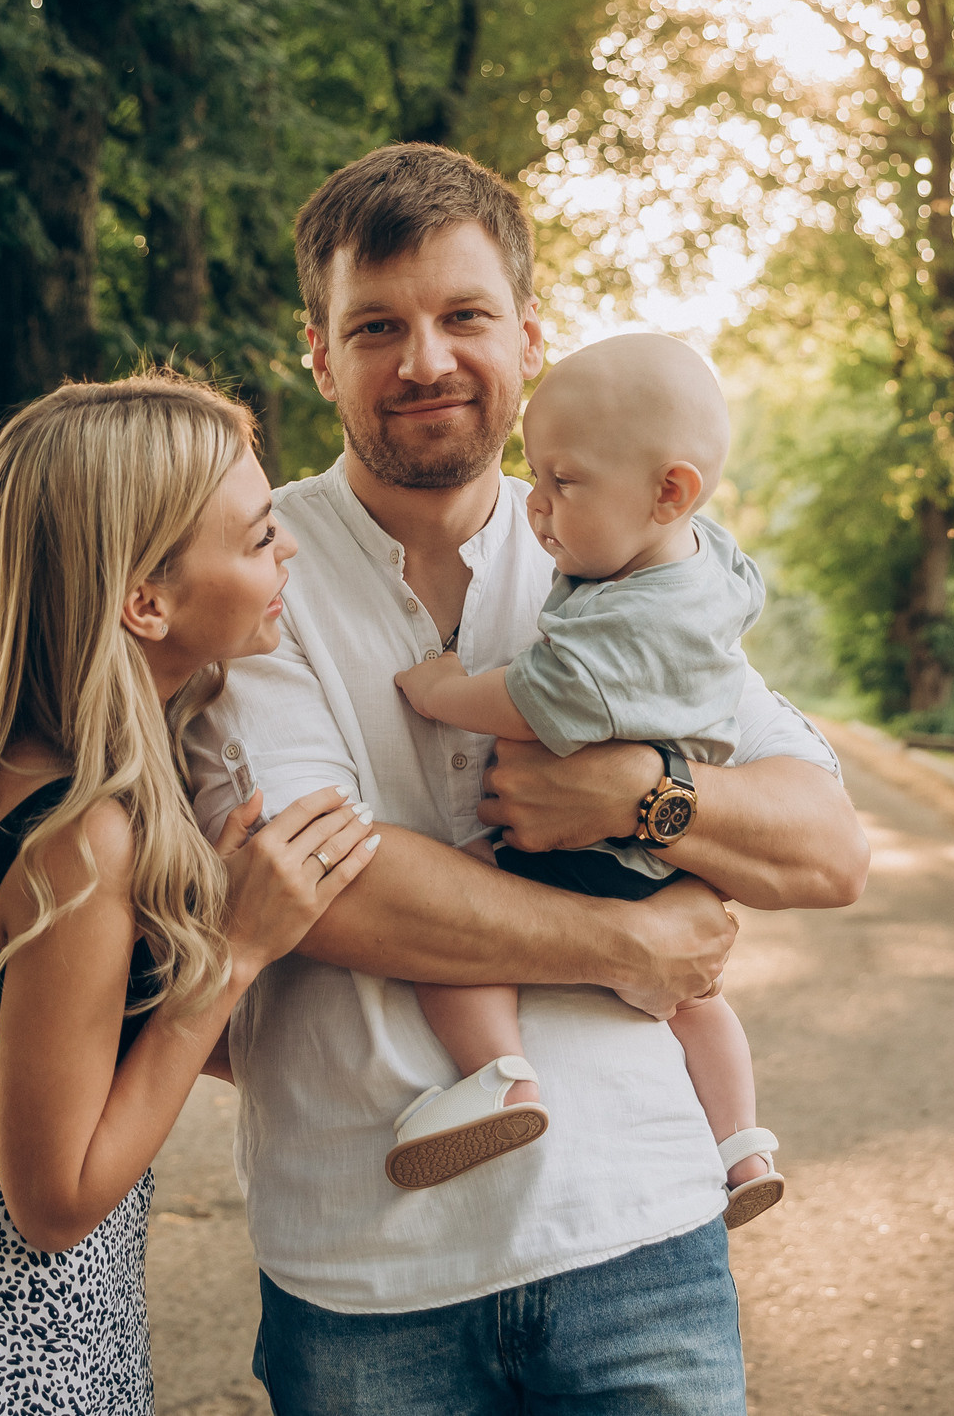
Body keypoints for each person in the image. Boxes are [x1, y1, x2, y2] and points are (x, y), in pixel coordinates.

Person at [182, 143, 870, 1415]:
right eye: (376, 326)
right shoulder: (249, 562)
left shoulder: (626, 555)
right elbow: (325, 887)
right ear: (319, 356)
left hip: (643, 1234)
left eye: (463, 315)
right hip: (365, 1266)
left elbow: (826, 847)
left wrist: (641, 800)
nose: (426, 359)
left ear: (528, 336)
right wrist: (631, 940)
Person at [0, 376, 378, 1415]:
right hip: (7, 1335)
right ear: (145, 601)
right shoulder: (82, 839)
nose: (287, 550)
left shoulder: (42, 769)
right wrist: (238, 954)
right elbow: (54, 1200)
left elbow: (95, 1045)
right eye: (259, 537)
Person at [388, 332, 786, 1233]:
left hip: (594, 854)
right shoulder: (703, 563)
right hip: (667, 866)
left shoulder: (630, 620)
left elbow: (535, 701)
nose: (537, 507)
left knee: (448, 935)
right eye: (535, 477)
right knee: (701, 1005)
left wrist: (441, 686)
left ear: (668, 492)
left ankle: (500, 1079)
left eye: (564, 483)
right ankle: (744, 1147)